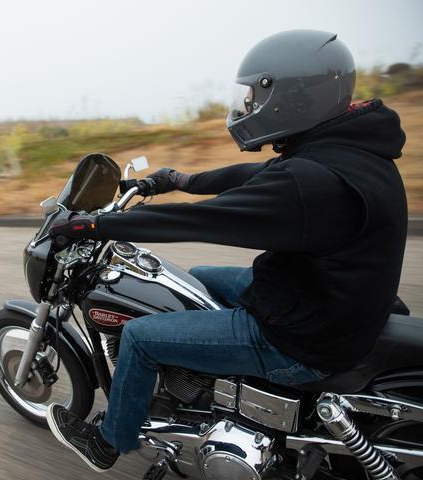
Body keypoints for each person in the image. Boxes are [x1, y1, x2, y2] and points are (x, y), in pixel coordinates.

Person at [45, 29, 407, 473]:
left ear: (293, 96)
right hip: (327, 299)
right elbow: (256, 175)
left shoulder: (309, 185)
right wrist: (179, 180)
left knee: (139, 338)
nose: (249, 105)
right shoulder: (349, 148)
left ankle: (109, 441)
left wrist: (94, 225)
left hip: (305, 339)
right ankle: (202, 383)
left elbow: (197, 220)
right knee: (199, 276)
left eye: (257, 94)